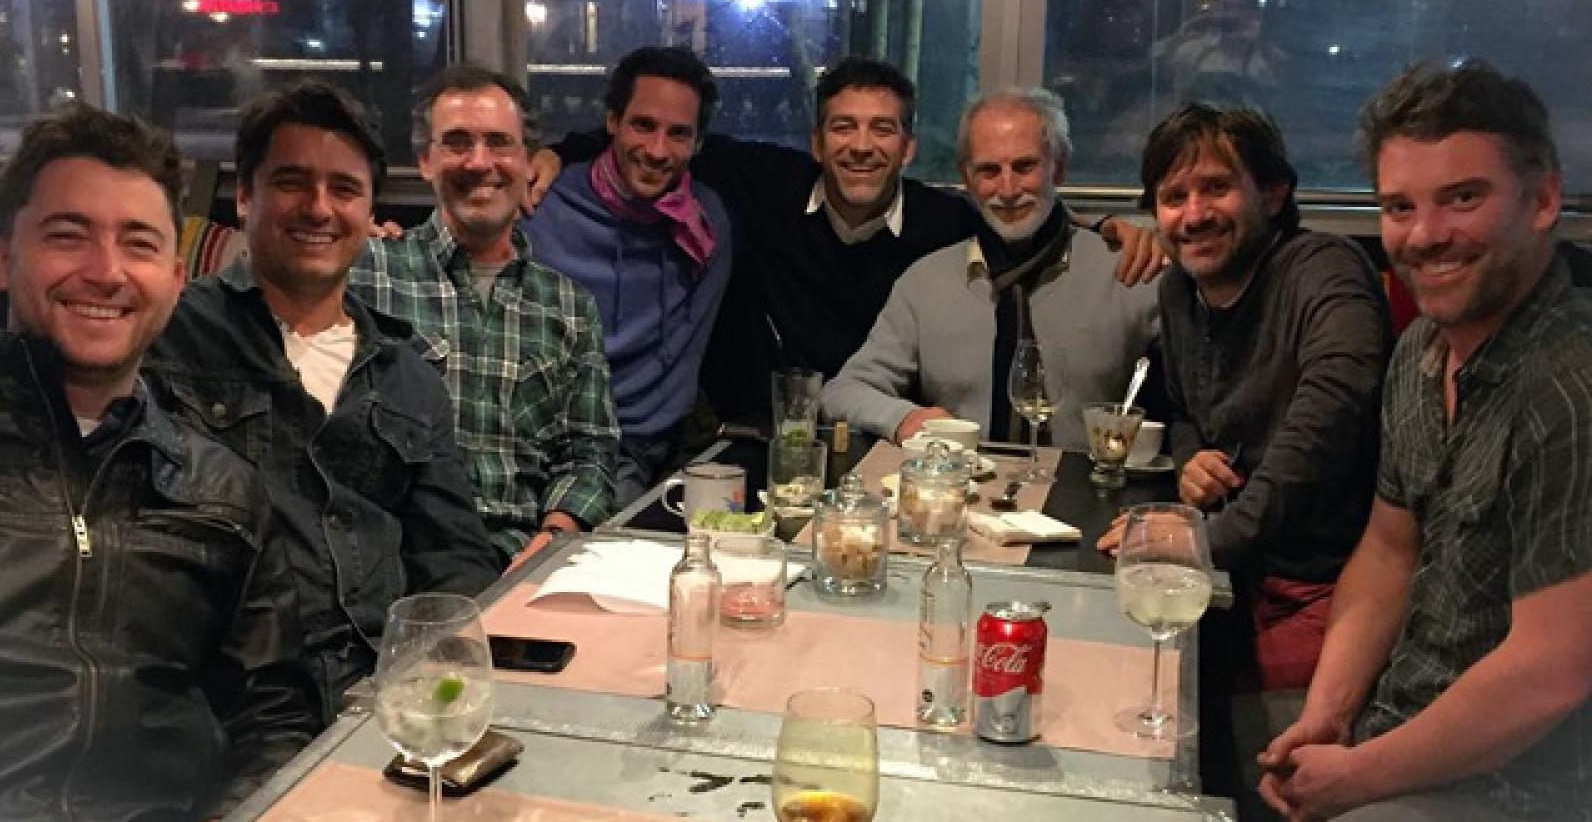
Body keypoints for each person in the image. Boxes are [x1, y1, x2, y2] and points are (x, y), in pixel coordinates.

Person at [1259, 60, 1592, 820]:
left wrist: (1356, 777)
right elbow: (1388, 553)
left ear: (1543, 200)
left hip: (1524, 791)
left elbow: (1552, 673)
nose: (1425, 236)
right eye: (1399, 207)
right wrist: (1327, 716)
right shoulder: (1420, 350)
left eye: (1462, 198)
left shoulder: (1571, 387)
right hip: (1397, 727)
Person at [538, 56, 1167, 424]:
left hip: (886, 445)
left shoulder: (946, 223)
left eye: (882, 130)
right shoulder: (763, 185)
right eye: (843, 128)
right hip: (761, 438)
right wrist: (555, 154)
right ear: (816, 143)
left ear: (908, 148)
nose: (862, 146)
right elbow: (660, 140)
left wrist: (1103, 229)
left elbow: (1020, 210)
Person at [0, 105, 317, 816]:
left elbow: (272, 724)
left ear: (174, 280)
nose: (106, 272)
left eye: (137, 244)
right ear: (0, 258)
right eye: (68, 235)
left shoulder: (222, 490)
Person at [145, 80, 500, 715]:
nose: (318, 208)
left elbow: (453, 559)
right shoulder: (168, 337)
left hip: (388, 698)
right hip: (231, 704)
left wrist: (454, 686)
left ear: (369, 211)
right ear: (245, 196)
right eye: (291, 182)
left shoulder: (407, 373)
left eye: (344, 189)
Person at [1098, 102, 1392, 811]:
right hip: (1233, 583)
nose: (1194, 214)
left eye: (1217, 188)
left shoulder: (1325, 271)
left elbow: (1323, 432)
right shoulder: (1179, 290)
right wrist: (1192, 459)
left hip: (1326, 590)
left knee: (1253, 785)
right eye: (1174, 196)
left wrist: (1192, 543)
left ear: (1274, 192)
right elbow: (1188, 412)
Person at [351, 65, 619, 557]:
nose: (479, 162)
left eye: (499, 143)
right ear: (425, 161)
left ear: (527, 161)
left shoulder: (568, 305)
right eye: (457, 143)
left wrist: (549, 544)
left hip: (524, 560)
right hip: (397, 561)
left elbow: (589, 455)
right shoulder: (366, 273)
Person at [823, 87, 1159, 449]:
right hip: (961, 482)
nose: (1008, 189)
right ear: (967, 178)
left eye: (1025, 167)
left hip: (1086, 483)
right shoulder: (926, 283)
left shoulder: (1128, 272)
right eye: (989, 171)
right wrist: (903, 419)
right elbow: (844, 391)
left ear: (1058, 168)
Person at [527, 46, 733, 504]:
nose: (658, 150)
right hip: (563, 443)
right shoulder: (541, 205)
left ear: (699, 144)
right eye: (643, 126)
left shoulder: (706, 223)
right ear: (612, 122)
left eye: (678, 134)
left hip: (667, 446)